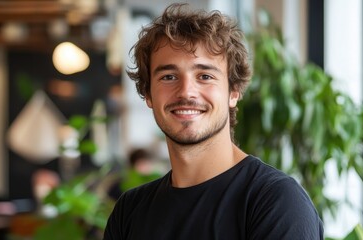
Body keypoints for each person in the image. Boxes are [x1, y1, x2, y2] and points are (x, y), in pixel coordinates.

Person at [103, 3, 323, 240]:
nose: (186, 92)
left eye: (205, 76)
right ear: (148, 94)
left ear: (234, 92)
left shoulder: (275, 201)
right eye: (169, 76)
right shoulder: (130, 211)